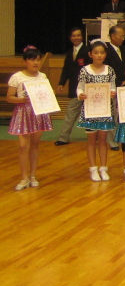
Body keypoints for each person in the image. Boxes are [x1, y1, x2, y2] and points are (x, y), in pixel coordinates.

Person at [7, 46, 54, 190]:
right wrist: (22, 100)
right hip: (23, 113)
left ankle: (33, 176)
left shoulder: (43, 76)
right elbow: (9, 97)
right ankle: (24, 178)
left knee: (35, 144)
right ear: (25, 61)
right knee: (23, 146)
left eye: (38, 60)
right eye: (32, 60)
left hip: (38, 112)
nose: (36, 63)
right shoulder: (17, 77)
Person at [77, 40, 117, 181]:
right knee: (91, 141)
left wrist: (112, 92)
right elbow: (80, 87)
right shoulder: (85, 70)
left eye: (101, 53)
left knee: (103, 140)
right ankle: (93, 169)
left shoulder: (110, 70)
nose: (99, 55)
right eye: (96, 53)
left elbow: (113, 86)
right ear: (90, 54)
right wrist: (80, 94)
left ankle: (103, 168)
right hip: (90, 110)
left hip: (104, 110)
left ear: (105, 54)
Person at [55, 28, 91, 146]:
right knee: (71, 113)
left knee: (91, 114)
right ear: (70, 38)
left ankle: (94, 136)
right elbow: (66, 69)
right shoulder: (70, 52)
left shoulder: (88, 51)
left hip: (88, 88)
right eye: (74, 36)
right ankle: (63, 138)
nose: (76, 38)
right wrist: (61, 83)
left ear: (82, 37)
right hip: (75, 88)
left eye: (78, 35)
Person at [104, 25, 125, 150]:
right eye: (121, 36)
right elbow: (107, 71)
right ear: (113, 36)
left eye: (124, 36)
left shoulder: (124, 49)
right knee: (113, 115)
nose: (123, 38)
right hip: (113, 87)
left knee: (124, 114)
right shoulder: (106, 51)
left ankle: (124, 138)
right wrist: (119, 82)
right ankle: (113, 141)